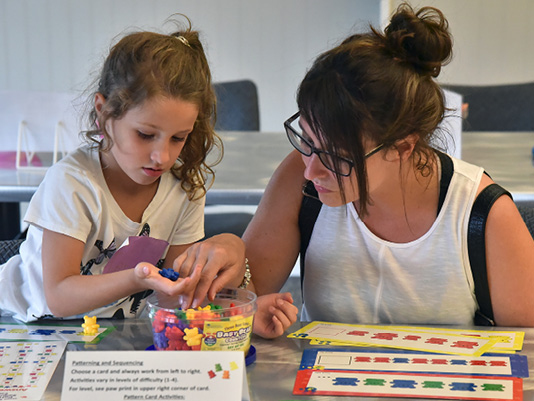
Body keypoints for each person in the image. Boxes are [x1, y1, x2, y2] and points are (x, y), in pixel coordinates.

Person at [192, 3, 533, 332]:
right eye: (307, 140)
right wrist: (229, 261)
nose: (312, 170)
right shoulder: (300, 178)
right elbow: (239, 301)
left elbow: (528, 352)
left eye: (339, 159)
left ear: (403, 147)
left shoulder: (481, 214)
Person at [0, 20, 295, 338]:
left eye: (178, 138)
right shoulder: (72, 184)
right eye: (145, 135)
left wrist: (240, 315)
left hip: (106, 334)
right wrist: (136, 279)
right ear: (103, 112)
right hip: (22, 327)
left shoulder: (184, 190)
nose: (162, 157)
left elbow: (176, 296)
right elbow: (59, 297)